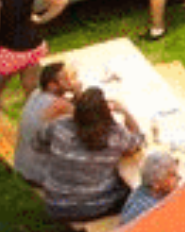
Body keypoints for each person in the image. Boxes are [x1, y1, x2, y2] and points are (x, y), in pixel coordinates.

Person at [37, 87, 141, 222]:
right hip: (90, 206)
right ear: (106, 112)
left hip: (54, 202)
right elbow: (137, 140)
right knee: (134, 191)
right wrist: (125, 112)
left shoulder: (60, 126)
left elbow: (39, 141)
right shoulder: (115, 135)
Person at [15, 62, 78, 186]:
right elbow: (89, 115)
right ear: (52, 85)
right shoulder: (59, 105)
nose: (71, 81)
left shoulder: (36, 93)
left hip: (23, 163)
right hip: (40, 174)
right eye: (66, 78)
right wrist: (78, 92)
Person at [119, 149, 180, 225]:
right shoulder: (152, 211)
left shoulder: (142, 191)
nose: (179, 178)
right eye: (172, 175)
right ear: (156, 184)